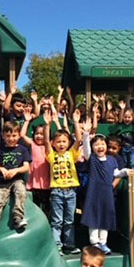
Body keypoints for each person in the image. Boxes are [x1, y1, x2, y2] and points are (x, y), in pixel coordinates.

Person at [81, 126, 128, 254]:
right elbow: (86, 150)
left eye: (102, 144)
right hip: (94, 193)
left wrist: (126, 172)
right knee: (94, 218)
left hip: (107, 193)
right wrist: (86, 135)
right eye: (96, 144)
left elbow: (116, 173)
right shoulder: (92, 159)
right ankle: (94, 243)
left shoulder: (112, 160)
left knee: (105, 218)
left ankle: (103, 242)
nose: (100, 146)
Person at [44, 109, 83, 255]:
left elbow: (78, 140)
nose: (61, 144)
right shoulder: (51, 155)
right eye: (58, 141)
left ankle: (69, 245)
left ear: (68, 143)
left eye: (64, 141)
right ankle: (57, 245)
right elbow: (46, 142)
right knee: (56, 221)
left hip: (71, 191)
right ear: (54, 144)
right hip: (57, 192)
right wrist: (47, 125)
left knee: (69, 220)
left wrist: (76, 123)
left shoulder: (71, 154)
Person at [0, 121, 31, 239]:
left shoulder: (23, 149)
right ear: (3, 136)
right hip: (2, 181)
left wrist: (15, 171)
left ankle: (18, 217)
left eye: (14, 135)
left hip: (16, 179)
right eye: (8, 136)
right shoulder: (0, 150)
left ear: (19, 136)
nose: (11, 138)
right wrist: (2, 169)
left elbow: (26, 167)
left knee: (21, 192)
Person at [20, 113, 51, 216]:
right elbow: (22, 135)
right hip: (34, 182)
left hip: (46, 182)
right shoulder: (32, 144)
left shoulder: (48, 145)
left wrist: (47, 125)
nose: (39, 136)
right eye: (37, 133)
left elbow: (46, 140)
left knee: (46, 208)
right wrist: (27, 121)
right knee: (35, 207)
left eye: (42, 134)